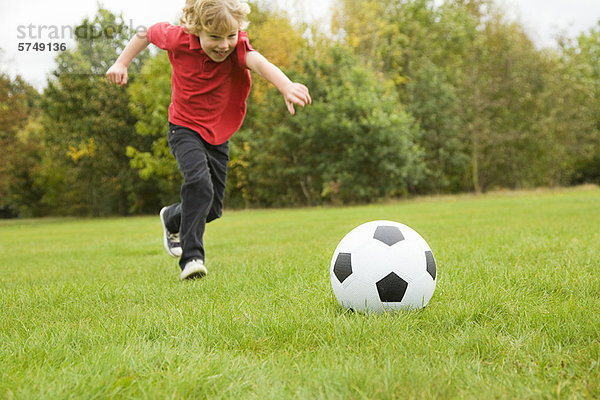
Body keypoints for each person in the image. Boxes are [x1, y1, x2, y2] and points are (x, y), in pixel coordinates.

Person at [106, 0, 311, 280]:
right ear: (196, 29)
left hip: (218, 134)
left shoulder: (237, 46)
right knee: (199, 184)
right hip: (184, 127)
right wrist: (121, 62)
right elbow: (145, 32)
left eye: (230, 35)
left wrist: (285, 85)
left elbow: (259, 63)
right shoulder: (177, 38)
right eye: (214, 37)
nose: (224, 45)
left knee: (212, 207)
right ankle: (192, 258)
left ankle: (173, 218)